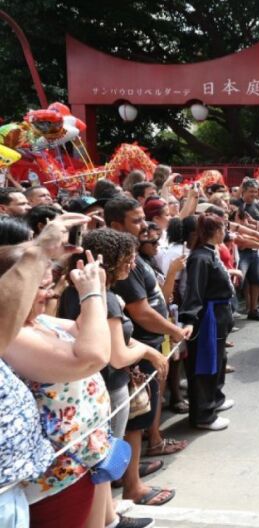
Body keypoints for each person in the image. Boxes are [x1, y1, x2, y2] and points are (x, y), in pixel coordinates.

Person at [59, 229, 164, 527]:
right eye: (128, 259)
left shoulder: (73, 291)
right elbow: (117, 355)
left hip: (90, 385)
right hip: (109, 387)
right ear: (113, 261)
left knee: (99, 462)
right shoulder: (105, 299)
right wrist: (146, 351)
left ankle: (110, 517)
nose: (131, 266)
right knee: (101, 465)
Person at [2, 249, 111, 528]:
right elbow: (91, 357)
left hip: (84, 459)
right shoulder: (12, 336)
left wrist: (96, 287)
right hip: (57, 476)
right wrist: (91, 296)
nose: (51, 295)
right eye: (42, 287)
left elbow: (87, 331)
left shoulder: (38, 322)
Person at [106, 196, 190, 506]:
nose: (146, 228)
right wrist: (173, 331)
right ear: (116, 226)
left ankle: (132, 473)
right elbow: (140, 313)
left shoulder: (136, 257)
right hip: (135, 354)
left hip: (148, 347)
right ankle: (131, 485)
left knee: (140, 418)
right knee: (131, 423)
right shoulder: (119, 263)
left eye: (145, 219)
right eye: (137, 221)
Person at [179, 214, 236, 431]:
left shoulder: (210, 253)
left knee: (219, 360)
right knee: (206, 366)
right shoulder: (200, 257)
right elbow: (195, 291)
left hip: (220, 314)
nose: (225, 232)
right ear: (214, 231)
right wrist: (190, 318)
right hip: (209, 317)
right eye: (223, 227)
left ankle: (215, 400)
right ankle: (203, 414)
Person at [232, 178, 259, 321]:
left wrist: (256, 226)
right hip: (241, 248)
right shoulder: (237, 205)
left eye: (256, 191)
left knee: (257, 279)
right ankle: (231, 310)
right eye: (251, 191)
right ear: (243, 191)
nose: (254, 194)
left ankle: (253, 309)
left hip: (256, 248)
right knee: (237, 280)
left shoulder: (257, 206)